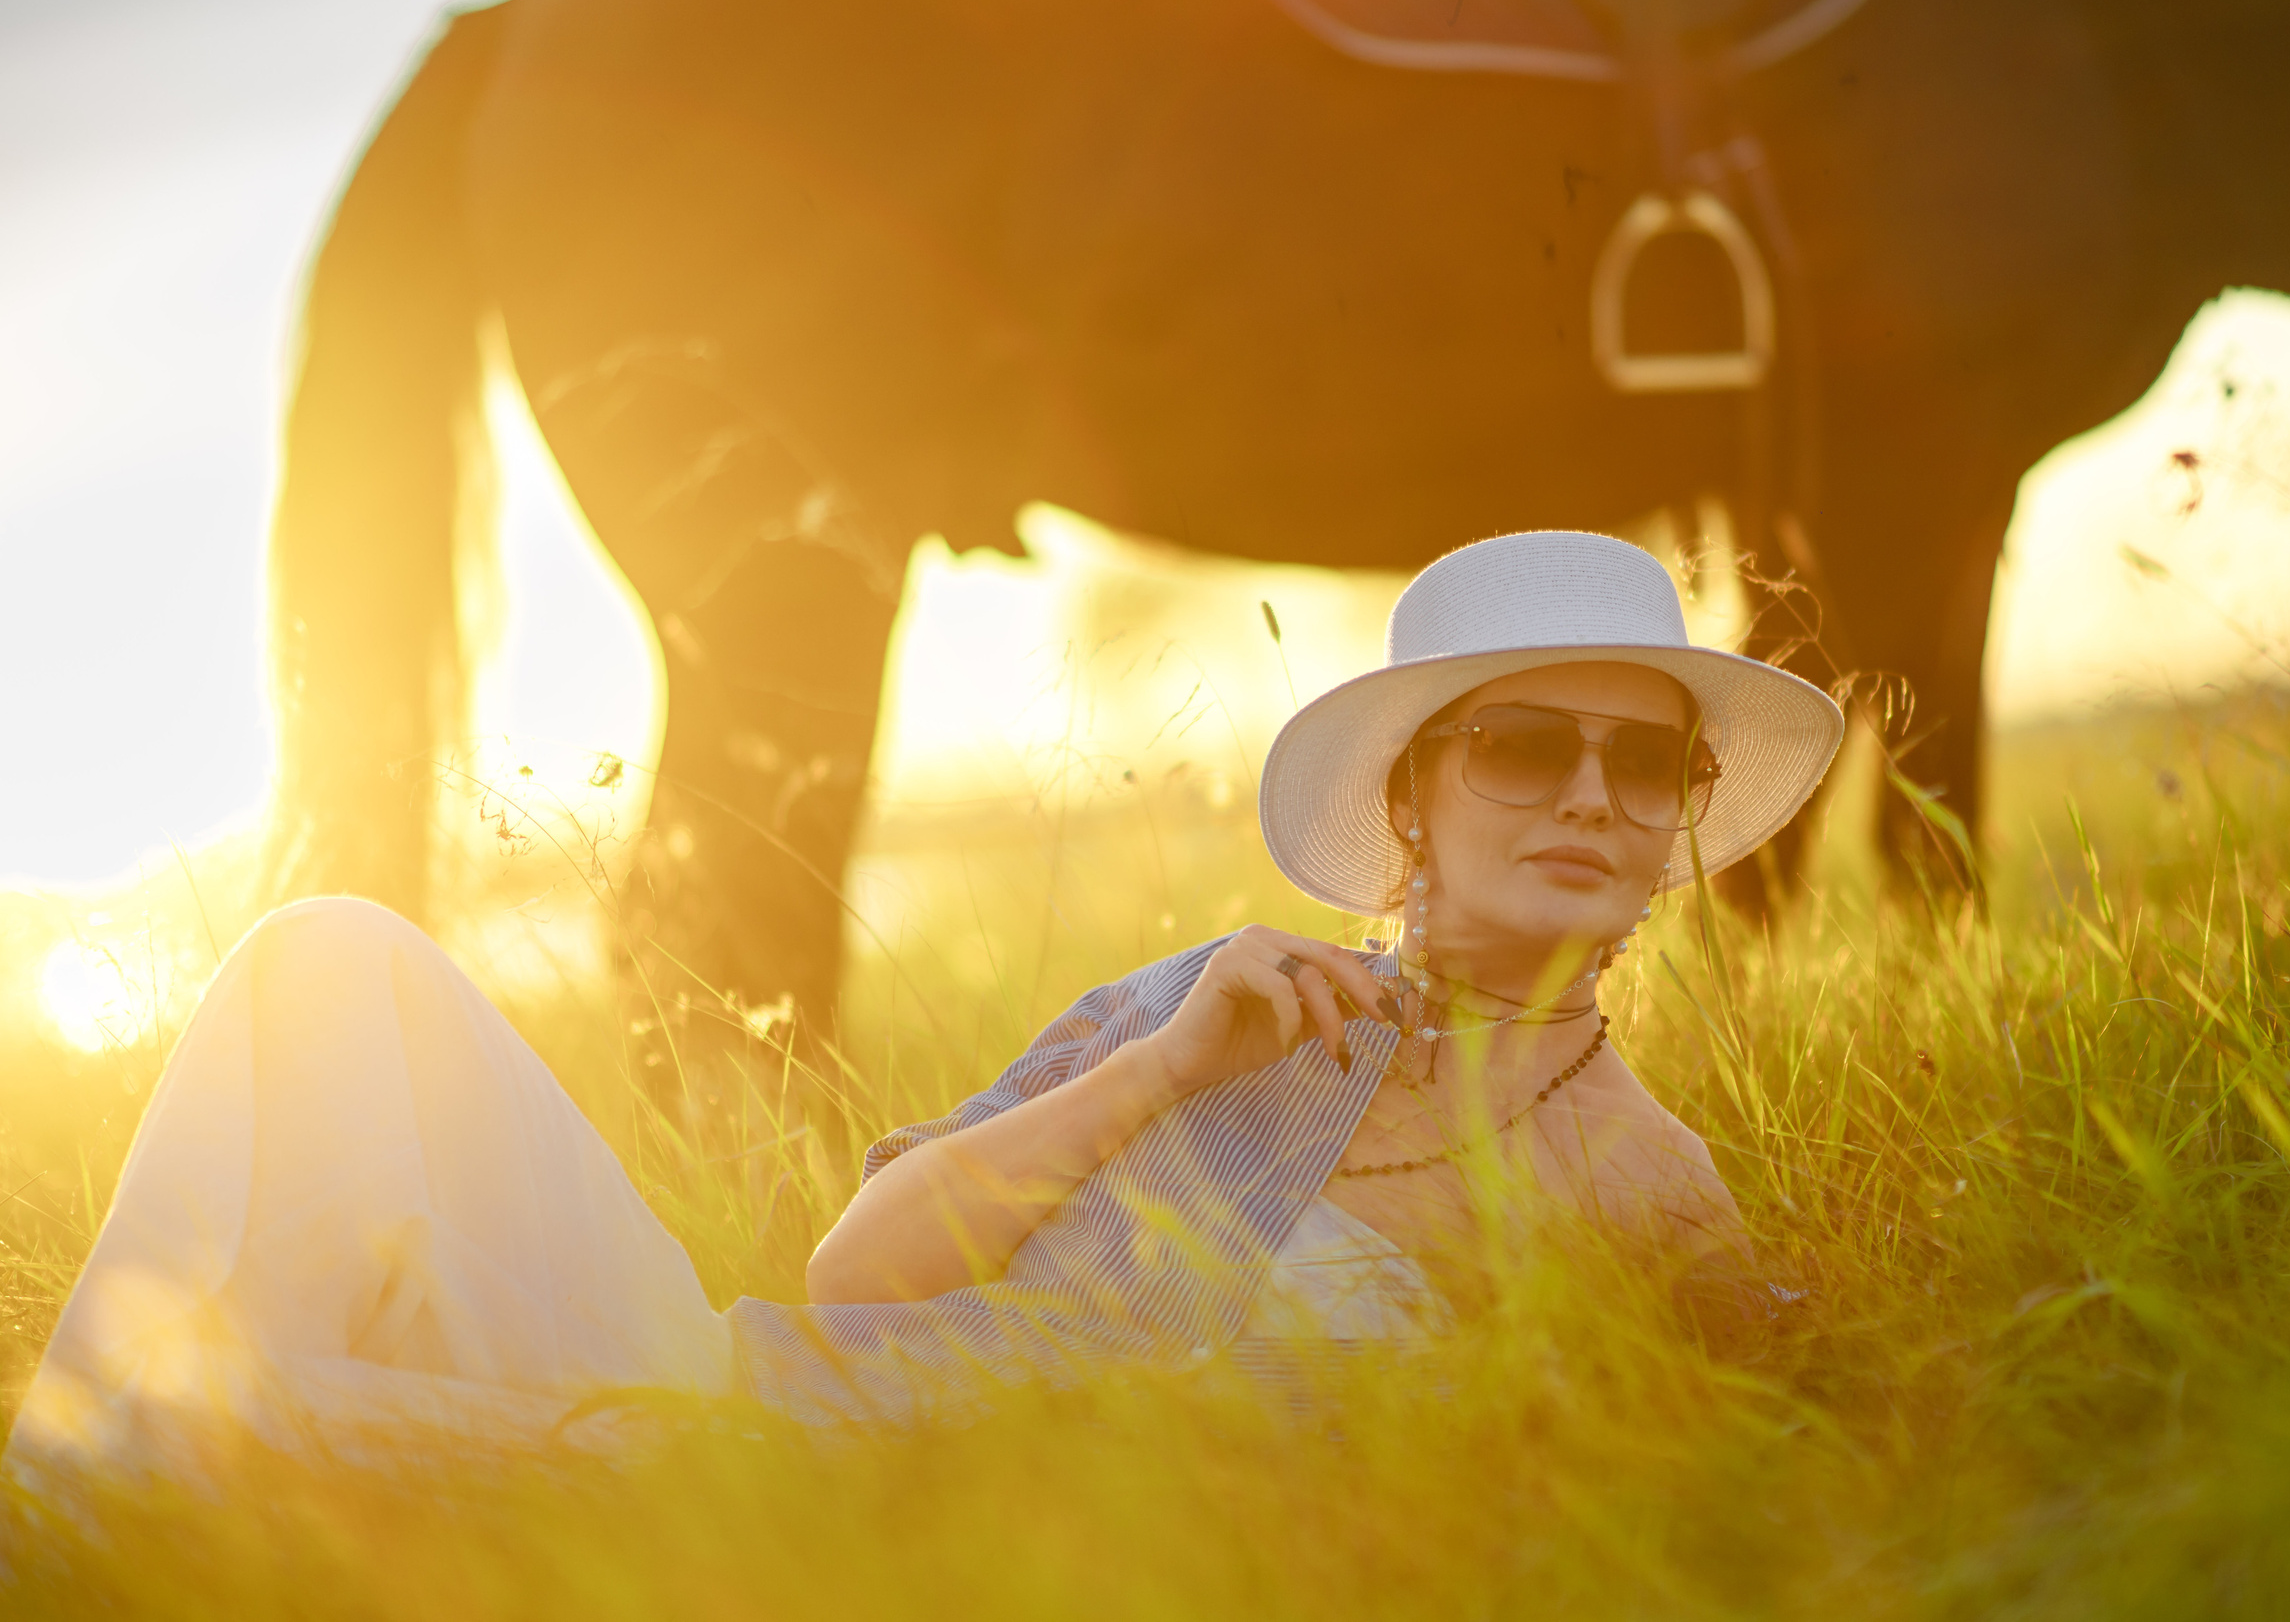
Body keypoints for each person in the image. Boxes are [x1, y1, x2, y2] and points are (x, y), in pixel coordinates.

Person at [4, 531, 1840, 1477]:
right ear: (1417, 795)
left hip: (801, 1493)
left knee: (226, 1429)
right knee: (332, 966)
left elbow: (1749, 1445)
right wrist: (1165, 1071)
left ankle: (103, 1488)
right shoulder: (1229, 1002)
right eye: (1531, 744)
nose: (1594, 797)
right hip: (731, 1379)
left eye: (1648, 766)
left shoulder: (1645, 1175)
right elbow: (851, 1278)